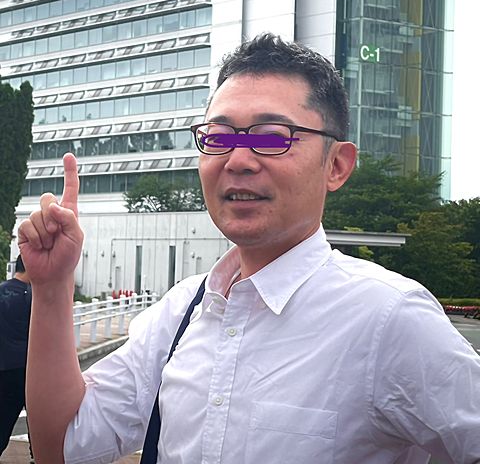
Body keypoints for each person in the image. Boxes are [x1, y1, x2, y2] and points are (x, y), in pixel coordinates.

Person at [18, 33, 480, 464]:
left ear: (337, 165)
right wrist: (53, 286)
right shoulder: (182, 311)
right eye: (219, 138)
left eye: (271, 138)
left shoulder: (388, 318)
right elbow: (63, 446)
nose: (238, 160)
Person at [0, 254, 33, 458]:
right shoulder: (33, 296)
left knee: (2, 422)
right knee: (38, 424)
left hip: (4, 368)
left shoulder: (1, 290)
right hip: (30, 372)